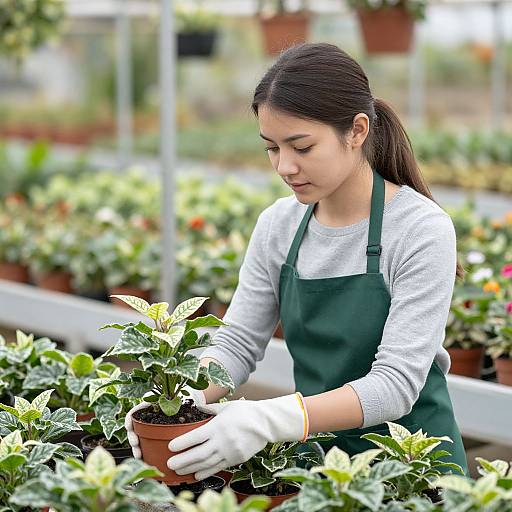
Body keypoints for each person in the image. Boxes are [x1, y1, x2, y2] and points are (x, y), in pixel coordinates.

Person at [126, 42, 469, 480]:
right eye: (271, 148)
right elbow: (237, 342)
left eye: (301, 147)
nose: (284, 166)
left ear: (357, 131)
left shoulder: (420, 228)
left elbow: (395, 386)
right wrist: (176, 402)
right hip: (321, 466)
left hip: (415, 469)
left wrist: (269, 419)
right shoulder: (279, 225)